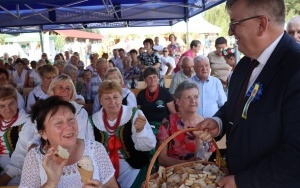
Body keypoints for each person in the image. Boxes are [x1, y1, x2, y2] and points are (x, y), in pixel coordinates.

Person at [195, 0, 300, 187]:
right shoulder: (244, 64)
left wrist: (242, 181)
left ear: (261, 24)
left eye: (235, 24)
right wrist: (219, 123)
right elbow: (237, 105)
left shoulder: (294, 68)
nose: (229, 32)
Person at [19, 96, 118, 188]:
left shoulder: (95, 149)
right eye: (58, 123)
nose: (69, 126)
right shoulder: (35, 158)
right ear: (43, 133)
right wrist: (51, 182)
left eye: (71, 119)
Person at [87, 80, 156, 188]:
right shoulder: (92, 121)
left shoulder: (134, 114)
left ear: (121, 98)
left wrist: (140, 131)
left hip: (133, 169)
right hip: (104, 173)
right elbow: (90, 153)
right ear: (100, 101)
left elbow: (147, 146)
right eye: (107, 98)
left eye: (115, 97)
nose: (112, 102)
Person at [157, 81, 208, 167]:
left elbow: (203, 160)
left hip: (196, 174)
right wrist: (186, 164)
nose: (193, 101)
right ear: (178, 101)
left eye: (196, 97)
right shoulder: (168, 122)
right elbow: (161, 158)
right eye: (188, 97)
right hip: (172, 173)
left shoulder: (204, 124)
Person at [0, 85, 36, 186]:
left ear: (17, 102)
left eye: (11, 103)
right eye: (2, 106)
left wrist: (4, 179)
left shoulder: (28, 121)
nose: (8, 109)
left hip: (16, 175)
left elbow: (22, 153)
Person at [47, 74, 89, 139]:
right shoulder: (45, 110)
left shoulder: (81, 112)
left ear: (72, 92)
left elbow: (87, 137)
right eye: (60, 87)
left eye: (68, 88)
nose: (64, 90)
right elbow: (37, 136)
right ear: (53, 90)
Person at [137, 67, 176, 133]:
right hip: (146, 126)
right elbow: (137, 113)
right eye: (149, 77)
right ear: (145, 80)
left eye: (154, 77)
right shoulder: (141, 94)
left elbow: (173, 112)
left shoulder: (165, 93)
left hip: (163, 126)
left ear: (158, 78)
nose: (152, 79)